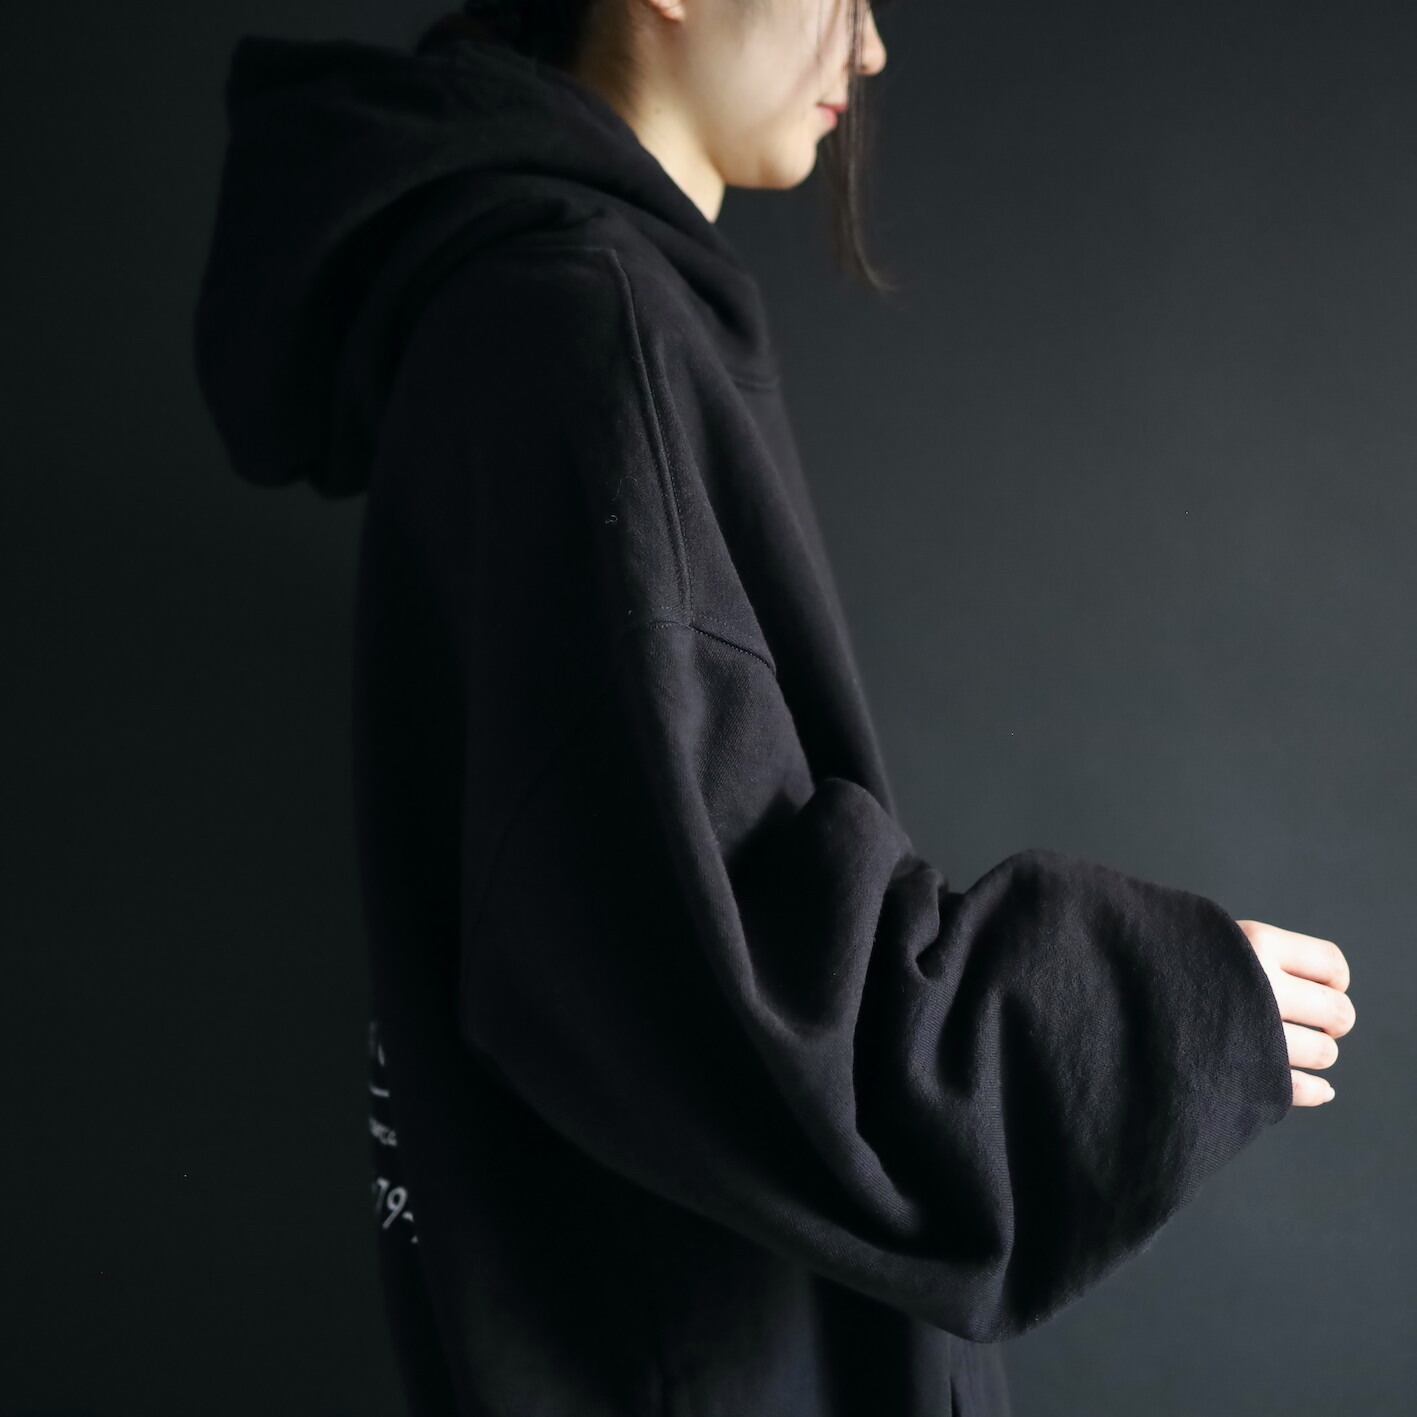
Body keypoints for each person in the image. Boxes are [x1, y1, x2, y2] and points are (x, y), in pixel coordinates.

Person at [190, 1, 1356, 1413]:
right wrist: (1147, 1010)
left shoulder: (551, 310)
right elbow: (724, 961)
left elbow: (641, 912)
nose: (867, 50)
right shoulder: (580, 321)